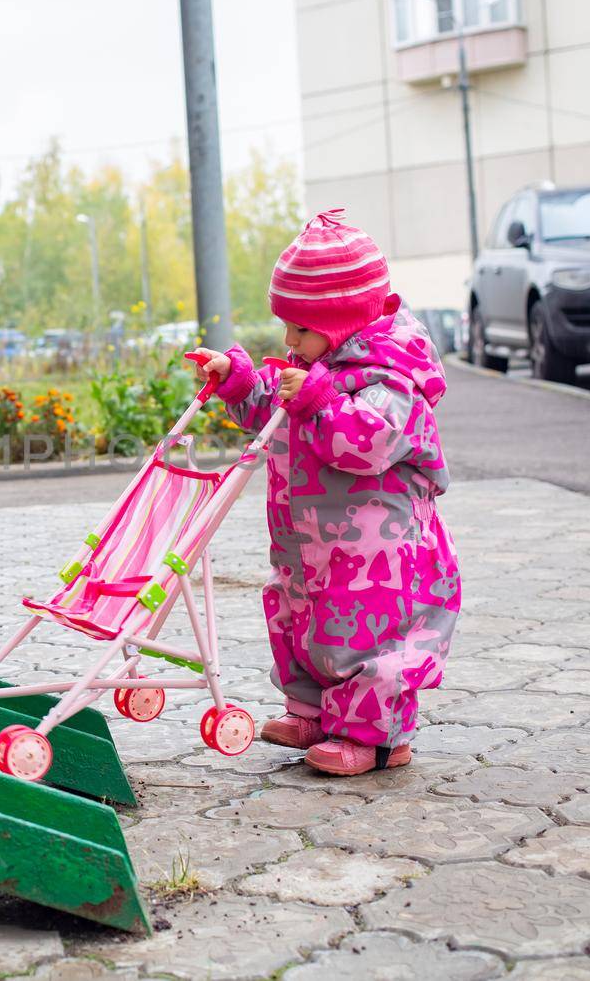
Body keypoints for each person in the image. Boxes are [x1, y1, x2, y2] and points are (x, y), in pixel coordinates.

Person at [188, 208, 460, 776]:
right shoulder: (314, 362)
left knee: (371, 637)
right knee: (303, 620)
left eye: (301, 329)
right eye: (286, 326)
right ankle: (314, 712)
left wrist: (316, 398)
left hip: (376, 560)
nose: (290, 341)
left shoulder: (394, 381)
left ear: (345, 321)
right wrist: (239, 380)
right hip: (309, 546)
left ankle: (378, 738)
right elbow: (276, 405)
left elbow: (366, 443)